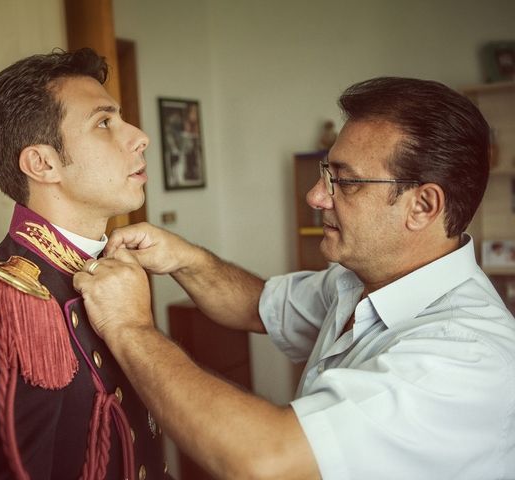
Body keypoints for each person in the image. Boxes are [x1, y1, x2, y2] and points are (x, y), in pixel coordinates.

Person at [74, 77, 515, 479]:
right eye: (327, 173)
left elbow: (266, 461)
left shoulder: (466, 355)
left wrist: (130, 328)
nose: (316, 195)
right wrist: (184, 259)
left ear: (422, 207)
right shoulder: (358, 280)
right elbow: (258, 304)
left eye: (345, 182)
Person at [0, 48, 169, 480]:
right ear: (42, 163)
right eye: (104, 122)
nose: (139, 136)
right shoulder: (2, 307)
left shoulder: (117, 269)